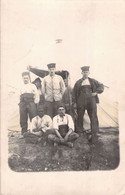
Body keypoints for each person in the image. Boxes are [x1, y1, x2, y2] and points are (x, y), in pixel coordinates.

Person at [73, 66, 104, 142]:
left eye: (86, 72)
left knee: (93, 114)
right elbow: (74, 93)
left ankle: (95, 131)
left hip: (91, 99)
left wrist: (96, 92)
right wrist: (75, 103)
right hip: (81, 100)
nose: (85, 74)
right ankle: (79, 131)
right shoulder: (78, 82)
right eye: (84, 72)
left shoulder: (93, 81)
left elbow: (101, 86)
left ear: (89, 73)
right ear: (81, 73)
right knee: (80, 115)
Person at [19, 71, 39, 135]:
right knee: (23, 118)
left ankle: (33, 131)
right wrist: (20, 103)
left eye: (27, 78)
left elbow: (36, 95)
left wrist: (35, 102)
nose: (25, 79)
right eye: (24, 78)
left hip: (31, 103)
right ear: (22, 79)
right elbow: (18, 95)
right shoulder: (20, 86)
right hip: (23, 103)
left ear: (29, 78)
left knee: (33, 117)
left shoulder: (32, 86)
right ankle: (24, 132)